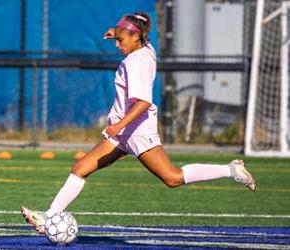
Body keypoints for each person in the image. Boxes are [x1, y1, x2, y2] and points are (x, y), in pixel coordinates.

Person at [21, 12, 256, 234]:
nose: (117, 44)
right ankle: (49, 216)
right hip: (123, 132)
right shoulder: (145, 47)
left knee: (172, 178)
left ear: (136, 37)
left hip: (136, 131)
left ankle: (231, 170)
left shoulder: (136, 62)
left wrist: (118, 125)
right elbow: (137, 27)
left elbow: (143, 102)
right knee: (80, 169)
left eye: (121, 39)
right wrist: (117, 31)